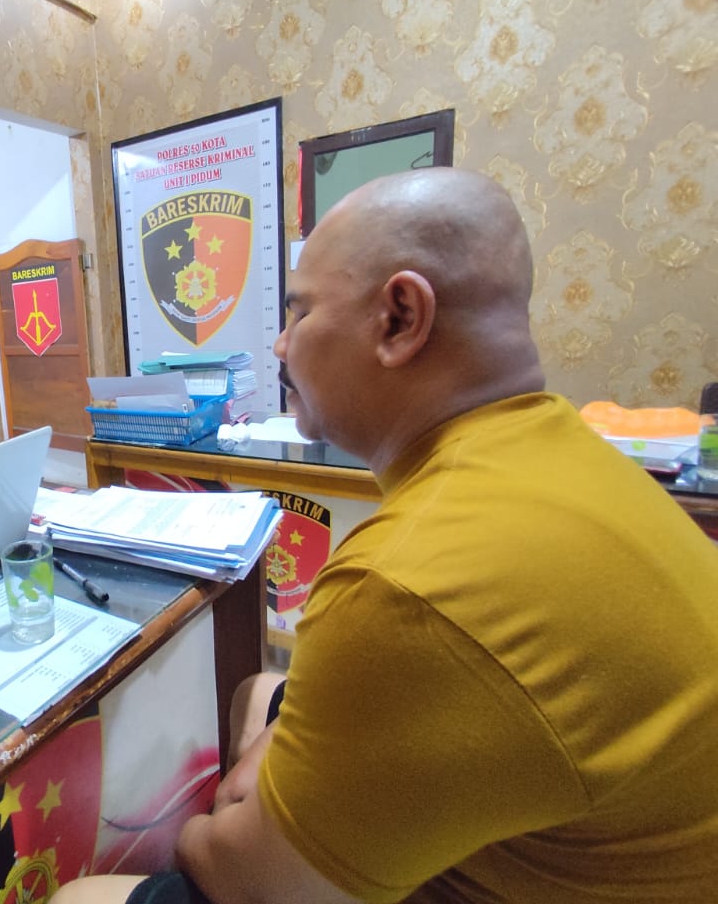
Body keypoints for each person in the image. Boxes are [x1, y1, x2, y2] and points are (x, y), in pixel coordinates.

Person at [52, 168, 718, 904]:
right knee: (254, 693)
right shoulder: (572, 445)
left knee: (80, 898)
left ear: (400, 318)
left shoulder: (405, 583)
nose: (279, 344)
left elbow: (250, 884)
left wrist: (198, 830)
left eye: (301, 312)